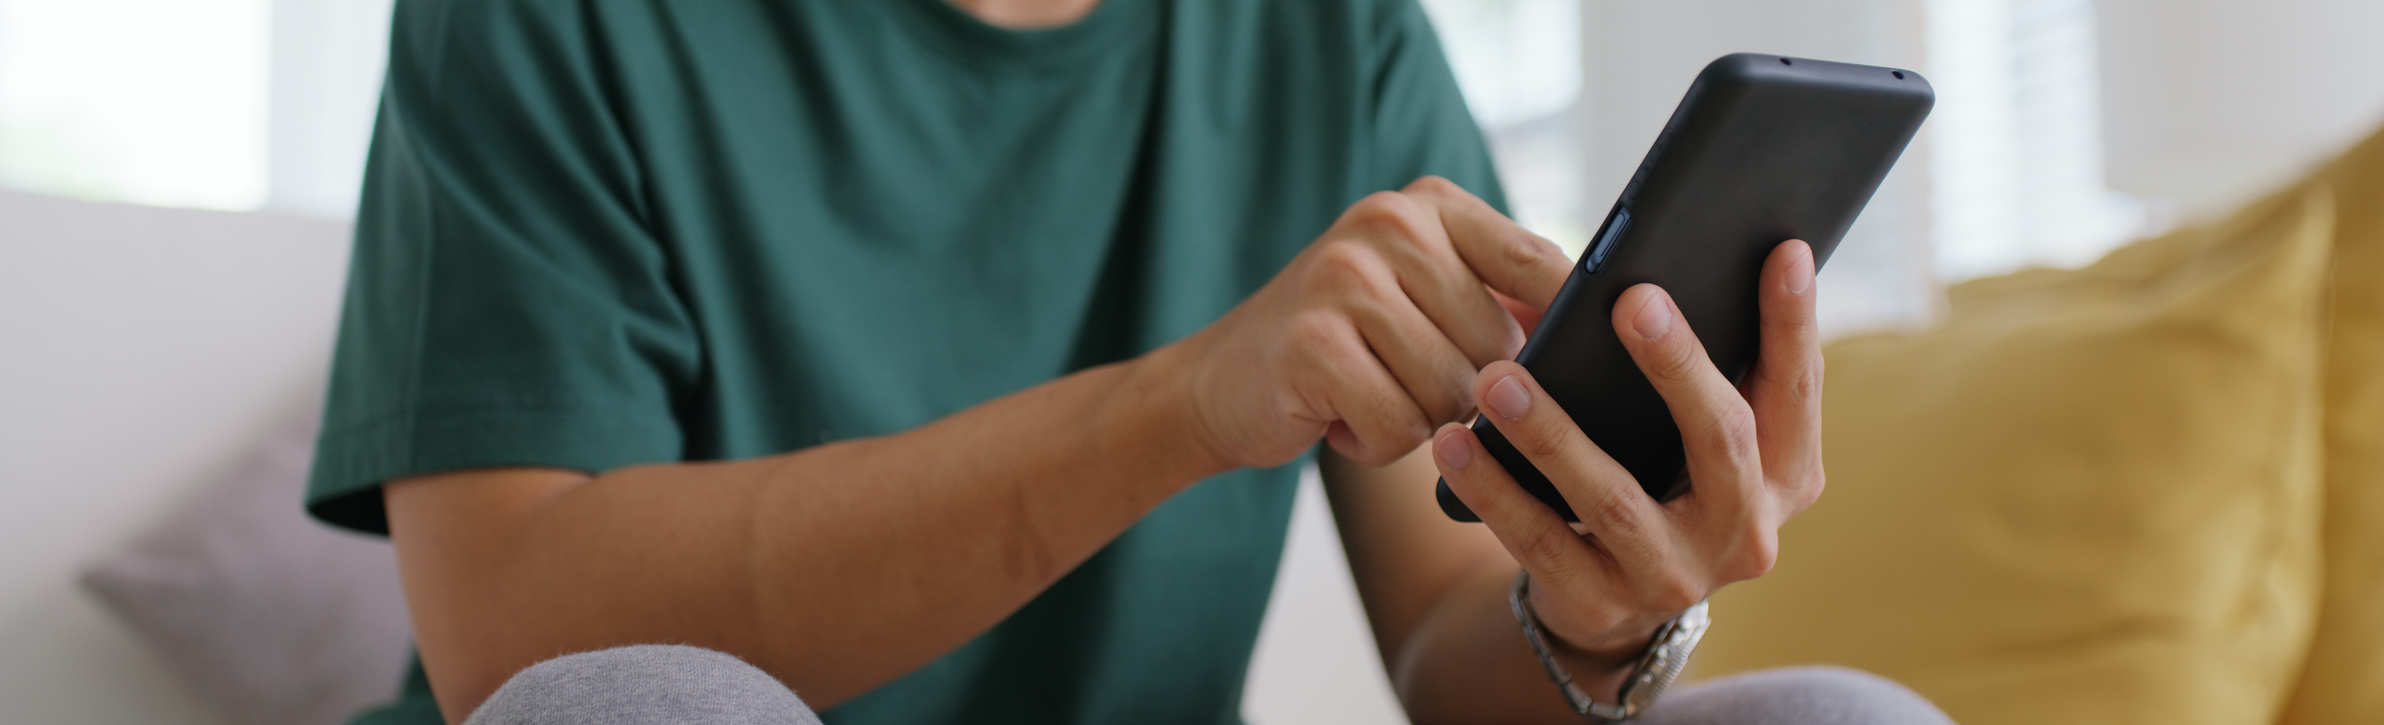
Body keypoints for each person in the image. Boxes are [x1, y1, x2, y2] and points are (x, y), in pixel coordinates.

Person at [306, 0, 1958, 723]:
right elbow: (514, 632)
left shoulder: (1340, 35)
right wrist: (1179, 404)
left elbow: (1455, 637)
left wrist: (1598, 614)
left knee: (1841, 719)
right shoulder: (540, 15)